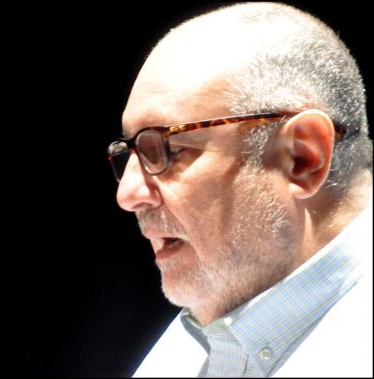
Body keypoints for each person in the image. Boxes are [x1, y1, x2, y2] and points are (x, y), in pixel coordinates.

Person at [107, 2, 372, 377]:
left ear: (302, 157)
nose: (128, 194)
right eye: (130, 153)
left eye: (167, 149)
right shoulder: (183, 349)